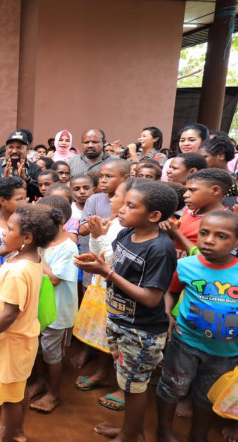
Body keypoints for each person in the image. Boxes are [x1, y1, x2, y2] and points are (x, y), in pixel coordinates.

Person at [74, 181, 179, 442]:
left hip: (140, 330)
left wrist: (106, 273)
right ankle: (132, 430)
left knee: (134, 386)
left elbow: (151, 298)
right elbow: (113, 264)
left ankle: (130, 435)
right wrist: (98, 261)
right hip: (119, 321)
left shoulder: (160, 249)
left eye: (131, 206)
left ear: (153, 216)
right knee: (127, 381)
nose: (121, 209)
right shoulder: (127, 233)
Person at [157, 211, 238, 442]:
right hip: (184, 343)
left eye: (221, 236)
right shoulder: (185, 265)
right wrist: (166, 312)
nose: (209, 240)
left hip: (226, 352)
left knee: (208, 395)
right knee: (171, 387)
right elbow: (171, 292)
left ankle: (198, 434)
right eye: (204, 233)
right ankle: (163, 431)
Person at [0, 204, 64, 442]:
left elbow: (9, 314)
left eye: (10, 229)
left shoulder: (18, 271)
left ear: (27, 237)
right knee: (16, 390)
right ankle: (15, 429)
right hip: (20, 340)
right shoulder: (31, 257)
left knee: (10, 398)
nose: (4, 232)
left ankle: (6, 437)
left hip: (10, 343)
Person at [29, 196, 79, 414]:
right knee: (38, 348)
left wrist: (36, 253)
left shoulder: (68, 248)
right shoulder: (43, 242)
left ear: (59, 221)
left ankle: (54, 392)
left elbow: (55, 279)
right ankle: (41, 382)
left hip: (57, 313)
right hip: (38, 308)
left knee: (52, 353)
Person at [161, 168, 233, 259]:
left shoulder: (224, 221)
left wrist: (176, 233)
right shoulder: (189, 211)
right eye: (186, 190)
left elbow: (207, 258)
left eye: (192, 190)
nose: (185, 195)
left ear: (215, 191)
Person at [0, 131, 41, 199]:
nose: (14, 151)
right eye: (11, 147)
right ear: (6, 149)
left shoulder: (35, 168)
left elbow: (42, 191)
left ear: (27, 150)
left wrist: (26, 179)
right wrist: (2, 178)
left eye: (19, 147)